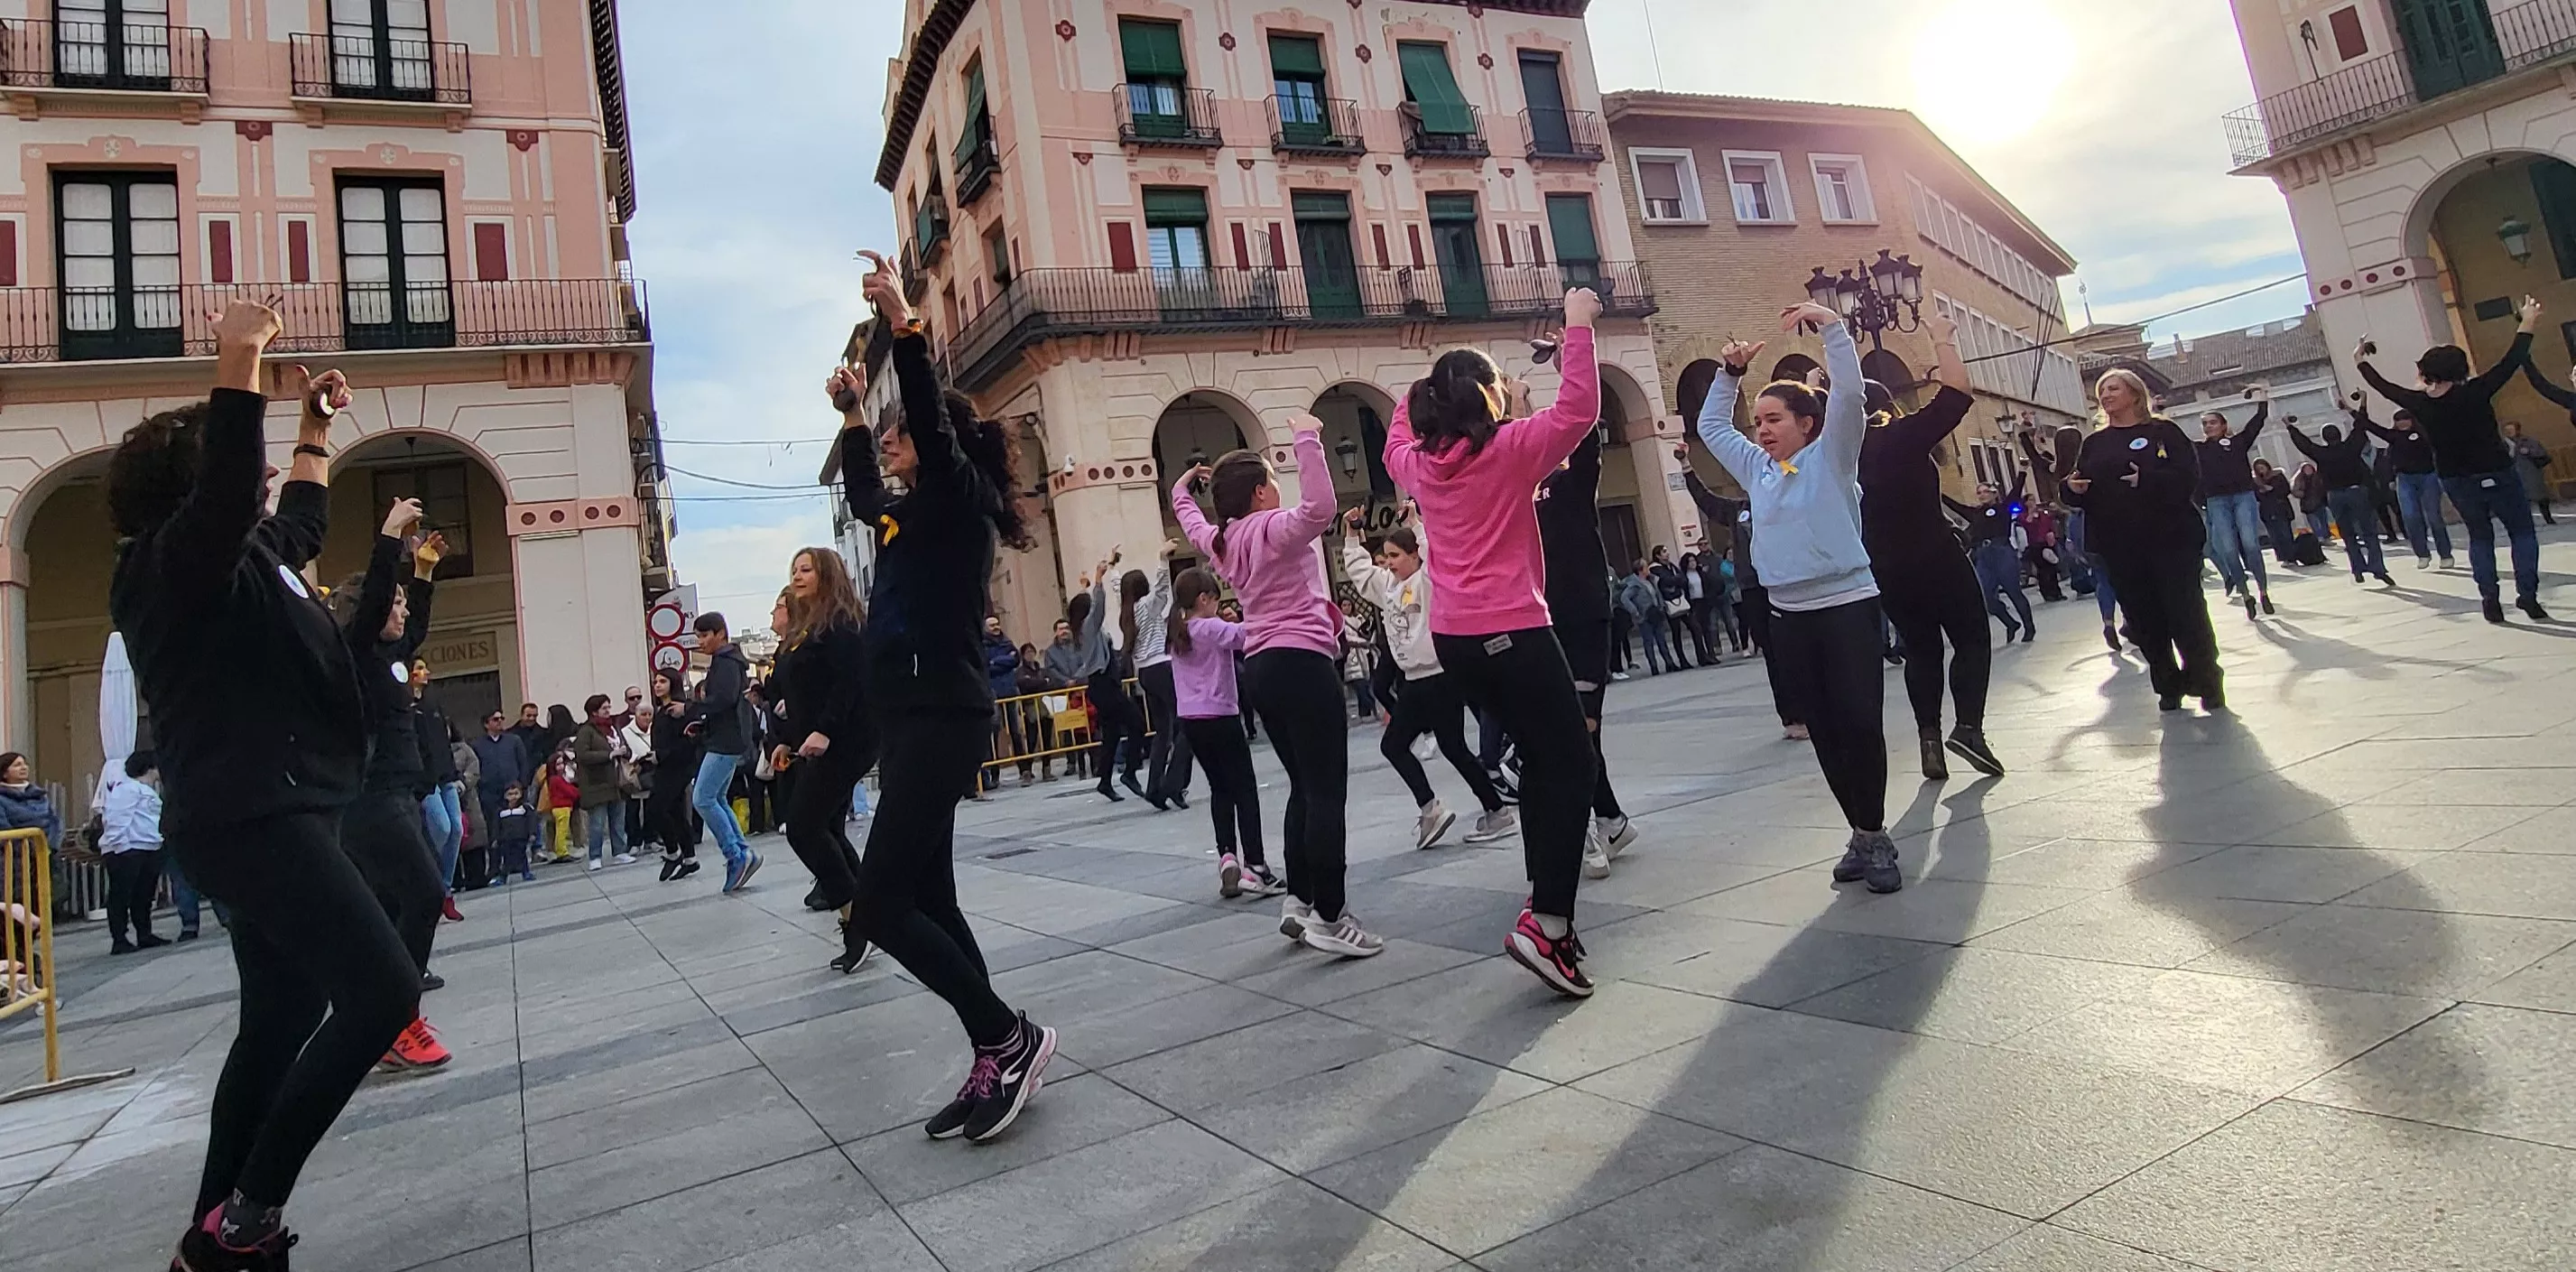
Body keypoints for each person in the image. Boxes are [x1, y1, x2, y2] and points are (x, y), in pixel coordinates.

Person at [106, 303, 416, 1268]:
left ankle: (208, 1233)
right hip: (253, 815)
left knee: (278, 1020)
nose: (265, 478)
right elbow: (236, 489)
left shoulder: (251, 562)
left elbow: (301, 518)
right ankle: (246, 1218)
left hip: (281, 808)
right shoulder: (170, 567)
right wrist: (239, 361)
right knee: (382, 990)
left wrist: (318, 430)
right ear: (191, 486)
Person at [830, 251, 1055, 1143]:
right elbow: (858, 495)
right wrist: (852, 416)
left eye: (896, 434)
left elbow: (926, 408)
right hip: (911, 715)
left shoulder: (958, 501)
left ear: (937, 443)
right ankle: (992, 1054)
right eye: (883, 436)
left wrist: (904, 324)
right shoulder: (905, 511)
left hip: (942, 712)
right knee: (935, 898)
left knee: (880, 906)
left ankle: (1012, 1034)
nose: (890, 441)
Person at [1385, 285, 1608, 995]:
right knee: (1571, 765)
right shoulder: (1510, 449)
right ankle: (1548, 922)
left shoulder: (1416, 465)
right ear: (1485, 398)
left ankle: (1550, 916)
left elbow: (1396, 432)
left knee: (1543, 763)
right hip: (1513, 625)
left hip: (1455, 640)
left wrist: (1424, 388)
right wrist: (1577, 323)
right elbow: (1578, 410)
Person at [1699, 302, 1904, 894]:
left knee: (1860, 722)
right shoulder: (1757, 467)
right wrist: (1728, 375)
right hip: (1787, 614)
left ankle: (1875, 831)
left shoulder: (1831, 456)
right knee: (1825, 730)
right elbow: (1715, 430)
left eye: (1773, 418)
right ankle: (1862, 833)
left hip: (1846, 605)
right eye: (1758, 419)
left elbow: (1847, 399)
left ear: (1805, 424)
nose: (1761, 429)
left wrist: (1834, 328)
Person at [1176, 407, 1381, 961]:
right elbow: (1320, 508)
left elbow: (1190, 521)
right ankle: (1333, 917)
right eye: (1272, 479)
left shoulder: (1222, 543)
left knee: (1301, 786)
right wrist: (1308, 437)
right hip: (1302, 661)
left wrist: (1182, 487)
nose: (1276, 487)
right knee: (1326, 790)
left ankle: (1298, 899)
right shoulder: (1271, 528)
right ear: (1262, 493)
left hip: (1263, 665)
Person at [1849, 311, 2004, 781]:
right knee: (1972, 637)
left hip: (1884, 564)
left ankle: (1929, 739)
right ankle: (1969, 729)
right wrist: (1941, 340)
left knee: (1920, 648)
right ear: (1886, 407)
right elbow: (1956, 395)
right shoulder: (1900, 435)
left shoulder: (1837, 456)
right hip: (1934, 552)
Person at [329, 500, 456, 1065]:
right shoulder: (353, 654)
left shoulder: (388, 656)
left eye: (403, 603)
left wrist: (423, 572)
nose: (401, 611)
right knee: (425, 895)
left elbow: (416, 628)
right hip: (370, 800)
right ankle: (396, 1016)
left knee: (388, 907)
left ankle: (375, 1016)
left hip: (398, 797)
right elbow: (379, 596)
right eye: (395, 603)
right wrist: (388, 538)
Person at [2359, 297, 2548, 622]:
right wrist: (2527, 320)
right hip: (2498, 470)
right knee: (2522, 533)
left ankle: (2489, 598)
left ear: (2428, 373)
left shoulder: (2418, 403)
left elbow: (2383, 386)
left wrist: (2360, 360)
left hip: (2456, 477)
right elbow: (2512, 359)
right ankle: (2528, 596)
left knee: (2480, 535)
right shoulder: (2478, 390)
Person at [1340, 509, 1517, 850]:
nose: (1389, 563)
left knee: (1434, 746)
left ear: (1413, 555)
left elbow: (1435, 551)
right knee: (1419, 746)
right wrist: (1350, 534)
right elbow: (1361, 572)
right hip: (1414, 681)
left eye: (1395, 556)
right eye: (1387, 556)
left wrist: (1415, 524)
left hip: (1439, 677)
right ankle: (1454, 808)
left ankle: (1480, 810)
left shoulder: (1429, 580)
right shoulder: (1387, 586)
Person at [2065, 368, 2223, 711]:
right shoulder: (2094, 443)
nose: (2106, 395)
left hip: (2171, 539)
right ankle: (2167, 684)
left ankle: (2205, 679)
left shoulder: (2163, 432)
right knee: (2143, 618)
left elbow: (2188, 477)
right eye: (2102, 390)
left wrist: (2147, 479)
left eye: (2114, 388)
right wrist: (2071, 489)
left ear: (2135, 395)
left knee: (2186, 612)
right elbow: (2077, 486)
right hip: (2119, 545)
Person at [773, 544, 876, 974]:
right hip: (816, 742)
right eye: (794, 569)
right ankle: (870, 917)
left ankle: (856, 919)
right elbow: (802, 697)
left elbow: (849, 684)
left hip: (847, 740)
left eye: (806, 570)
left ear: (826, 575)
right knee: (826, 827)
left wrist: (826, 731)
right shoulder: (804, 628)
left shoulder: (842, 623)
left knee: (804, 825)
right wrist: (789, 742)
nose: (797, 576)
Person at [1165, 567, 1285, 899]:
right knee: (1245, 788)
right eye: (1215, 600)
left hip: (1191, 719)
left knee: (1220, 788)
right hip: (1221, 714)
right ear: (1204, 599)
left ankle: (1227, 856)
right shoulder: (1210, 626)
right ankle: (1256, 866)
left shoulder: (1177, 629)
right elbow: (1247, 635)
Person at [1684, 465, 1802, 737]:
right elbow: (1706, 500)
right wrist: (1687, 468)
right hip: (1753, 588)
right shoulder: (1737, 510)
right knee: (1773, 653)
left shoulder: (1783, 499)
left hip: (1784, 582)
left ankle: (1811, 710)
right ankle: (1791, 717)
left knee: (1796, 649)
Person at [1047, 564, 1147, 801]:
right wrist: (1098, 580)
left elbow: (1092, 610)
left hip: (1103, 685)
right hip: (1104, 685)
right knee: (1137, 724)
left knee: (1111, 734)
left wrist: (1085, 587)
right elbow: (1098, 609)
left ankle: (1104, 781)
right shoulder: (1087, 629)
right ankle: (1130, 772)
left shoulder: (1086, 631)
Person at [681, 611, 764, 889]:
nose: (701, 642)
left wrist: (690, 709)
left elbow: (724, 700)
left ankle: (736, 855)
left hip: (725, 741)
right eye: (698, 637)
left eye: (704, 636)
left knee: (703, 798)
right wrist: (702, 725)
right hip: (725, 737)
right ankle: (742, 852)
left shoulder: (726, 662)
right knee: (716, 797)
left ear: (720, 633)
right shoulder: (728, 661)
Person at [2192, 390, 2277, 617]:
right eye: (2205, 424)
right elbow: (2173, 440)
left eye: (2212, 422)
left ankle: (2263, 591)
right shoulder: (2199, 448)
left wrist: (2262, 399)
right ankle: (2245, 593)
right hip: (2216, 501)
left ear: (2223, 425)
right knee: (2228, 549)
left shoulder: (2237, 442)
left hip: (2242, 496)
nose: (2208, 427)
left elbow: (2256, 424)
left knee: (2250, 544)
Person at [2287, 417, 2395, 585]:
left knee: (2347, 534)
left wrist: (2290, 427)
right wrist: (2358, 408)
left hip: (2334, 495)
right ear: (2339, 434)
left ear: (2324, 438)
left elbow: (2304, 444)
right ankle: (2377, 568)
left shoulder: (2322, 453)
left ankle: (2358, 568)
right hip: (2356, 491)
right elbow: (2360, 428)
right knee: (2369, 532)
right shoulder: (2351, 447)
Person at [409, 663, 466, 922]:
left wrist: (453, 772)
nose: (426, 672)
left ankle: (445, 890)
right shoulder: (405, 705)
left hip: (444, 774)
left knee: (457, 829)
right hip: (424, 778)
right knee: (441, 828)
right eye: (420, 668)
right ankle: (430, 882)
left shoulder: (432, 704)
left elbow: (444, 740)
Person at [98, 749, 169, 954]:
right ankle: (120, 938)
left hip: (147, 846)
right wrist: (120, 846)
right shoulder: (127, 790)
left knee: (143, 894)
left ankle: (144, 932)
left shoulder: (143, 790)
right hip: (128, 848)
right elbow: (117, 820)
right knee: (122, 895)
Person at [644, 668, 701, 880]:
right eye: (656, 681)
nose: (657, 685)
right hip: (663, 767)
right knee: (677, 813)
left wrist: (661, 755)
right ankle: (690, 859)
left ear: (673, 684)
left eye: (662, 681)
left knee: (655, 809)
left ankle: (673, 852)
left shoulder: (680, 709)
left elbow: (687, 742)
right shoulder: (660, 710)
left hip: (678, 768)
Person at [571, 694, 635, 870]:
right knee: (597, 822)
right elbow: (582, 755)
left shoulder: (614, 728)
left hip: (617, 782)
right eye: (604, 708)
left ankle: (620, 851)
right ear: (594, 712)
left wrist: (624, 752)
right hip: (595, 783)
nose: (608, 711)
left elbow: (626, 747)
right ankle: (595, 856)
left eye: (609, 707)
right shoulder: (586, 731)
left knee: (617, 819)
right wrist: (608, 755)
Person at [466, 710, 531, 868]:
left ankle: (516, 863)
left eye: (502, 718)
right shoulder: (477, 745)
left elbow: (523, 763)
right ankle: (495, 865)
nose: (500, 722)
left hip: (513, 791)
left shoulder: (514, 740)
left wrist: (522, 784)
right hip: (489, 793)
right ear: (486, 724)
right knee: (493, 830)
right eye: (495, 719)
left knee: (515, 828)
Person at [1010, 644, 1061, 783]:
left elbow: (1052, 683)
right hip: (1031, 707)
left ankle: (1047, 769)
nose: (1030, 655)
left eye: (1032, 651)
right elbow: (1023, 684)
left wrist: (1038, 683)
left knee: (1047, 738)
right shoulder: (1021, 671)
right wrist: (1042, 682)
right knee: (1031, 740)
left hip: (1045, 705)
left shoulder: (1041, 669)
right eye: (1027, 652)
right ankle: (1027, 770)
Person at [1617, 562, 1671, 674]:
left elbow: (1657, 594)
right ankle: (1653, 666)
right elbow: (1624, 598)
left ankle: (1669, 663)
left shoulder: (1650, 580)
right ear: (1640, 570)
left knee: (1662, 640)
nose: (1648, 569)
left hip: (1655, 613)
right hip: (1644, 616)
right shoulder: (1634, 584)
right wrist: (1634, 611)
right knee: (1648, 642)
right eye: (1646, 567)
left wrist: (1661, 606)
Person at [0, 752, 61, 850]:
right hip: (17, 860)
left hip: (48, 857)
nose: (24, 767)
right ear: (5, 773)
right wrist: (31, 851)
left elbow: (54, 822)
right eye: (17, 765)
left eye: (25, 764)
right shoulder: (2, 799)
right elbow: (5, 832)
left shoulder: (39, 795)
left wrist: (51, 847)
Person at [1648, 546, 1697, 668]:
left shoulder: (1671, 566)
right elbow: (1666, 581)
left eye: (1667, 550)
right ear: (1658, 556)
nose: (1667, 553)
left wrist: (1676, 580)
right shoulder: (1655, 568)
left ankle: (1701, 655)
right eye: (1664, 552)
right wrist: (1676, 581)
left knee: (1695, 628)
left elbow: (1683, 579)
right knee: (1676, 632)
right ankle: (1682, 660)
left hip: (1680, 600)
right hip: (1669, 603)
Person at [2504, 419, 2556, 525]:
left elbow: (2541, 453)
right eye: (2507, 431)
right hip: (2514, 473)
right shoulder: (2504, 444)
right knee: (2520, 499)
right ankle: (2525, 521)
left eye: (2511, 430)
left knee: (2541, 497)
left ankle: (2547, 517)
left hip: (2531, 472)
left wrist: (2529, 451)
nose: (2509, 433)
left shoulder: (2529, 441)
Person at [487, 782, 535, 887]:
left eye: (516, 793)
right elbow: (496, 826)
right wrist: (495, 838)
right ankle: (503, 877)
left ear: (521, 794)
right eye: (510, 794)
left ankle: (526, 872)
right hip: (505, 839)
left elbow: (531, 821)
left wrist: (532, 833)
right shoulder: (500, 811)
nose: (513, 797)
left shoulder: (525, 808)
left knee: (522, 856)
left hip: (521, 837)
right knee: (507, 859)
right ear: (505, 796)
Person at [1679, 551, 1719, 664]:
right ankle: (1701, 656)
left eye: (1693, 560)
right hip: (1693, 604)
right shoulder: (1684, 576)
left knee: (1707, 629)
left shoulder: (1701, 573)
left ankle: (1711, 654)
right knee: (1697, 630)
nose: (1692, 563)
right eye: (1690, 561)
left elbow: (1710, 584)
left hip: (1703, 602)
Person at [2293, 460, 2331, 548]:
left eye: (2309, 468)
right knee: (2314, 523)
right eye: (2306, 469)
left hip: (2320, 502)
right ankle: (2319, 538)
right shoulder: (2299, 479)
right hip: (2308, 505)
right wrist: (2303, 494)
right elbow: (2295, 491)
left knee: (2323, 521)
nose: (2308, 470)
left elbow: (2323, 487)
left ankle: (2326, 538)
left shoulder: (2318, 477)